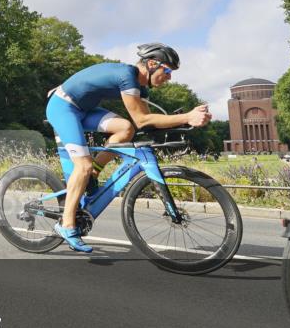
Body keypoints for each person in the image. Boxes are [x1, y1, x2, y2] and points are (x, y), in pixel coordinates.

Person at [45, 43, 211, 253]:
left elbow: (149, 122)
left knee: (125, 129)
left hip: (84, 109)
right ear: (152, 64)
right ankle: (66, 224)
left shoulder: (141, 88)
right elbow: (143, 120)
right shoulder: (127, 76)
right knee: (82, 167)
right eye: (167, 71)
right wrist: (187, 116)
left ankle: (95, 171)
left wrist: (188, 120)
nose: (169, 77)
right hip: (63, 107)